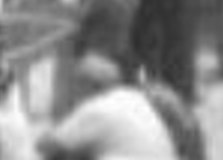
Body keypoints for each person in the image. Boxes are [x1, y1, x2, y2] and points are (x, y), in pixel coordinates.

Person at [37, 53, 181, 160]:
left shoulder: (97, 108)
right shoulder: (134, 97)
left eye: (77, 85)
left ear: (89, 85)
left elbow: (49, 146)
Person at [73, 0, 138, 79]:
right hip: (125, 57)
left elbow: (80, 16)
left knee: (76, 63)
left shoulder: (100, 0)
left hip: (105, 62)